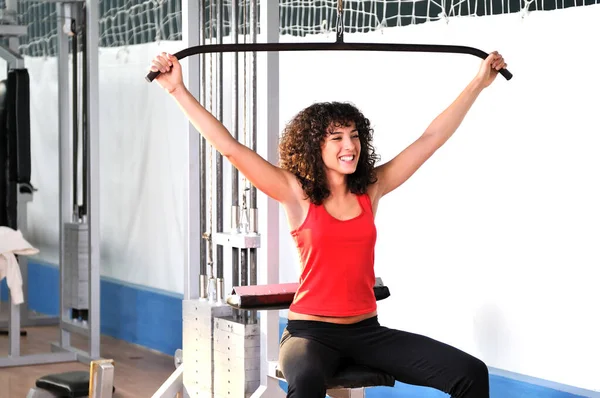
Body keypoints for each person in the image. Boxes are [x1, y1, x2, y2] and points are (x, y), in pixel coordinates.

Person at [149, 50, 507, 398]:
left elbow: (430, 139)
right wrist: (177, 89)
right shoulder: (295, 192)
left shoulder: (371, 188)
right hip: (309, 334)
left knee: (470, 374)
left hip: (367, 332)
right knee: (305, 387)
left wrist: (478, 83)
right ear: (313, 147)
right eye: (336, 138)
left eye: (353, 136)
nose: (349, 145)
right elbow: (230, 148)